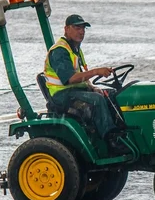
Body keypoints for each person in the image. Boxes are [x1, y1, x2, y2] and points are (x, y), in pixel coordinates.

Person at [43, 14, 128, 153]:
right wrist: (96, 72)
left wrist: (93, 87)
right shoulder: (60, 51)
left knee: (111, 94)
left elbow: (81, 76)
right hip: (61, 95)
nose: (81, 31)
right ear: (66, 29)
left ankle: (122, 131)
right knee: (97, 100)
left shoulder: (75, 49)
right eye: (77, 27)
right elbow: (71, 79)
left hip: (75, 91)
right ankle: (111, 140)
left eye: (83, 28)